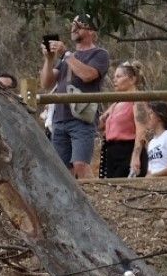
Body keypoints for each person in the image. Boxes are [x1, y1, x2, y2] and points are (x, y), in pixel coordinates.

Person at [41, 15, 110, 178]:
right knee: (63, 171)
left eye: (79, 25)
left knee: (81, 165)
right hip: (60, 119)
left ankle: (94, 199)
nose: (73, 28)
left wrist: (65, 54)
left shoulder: (99, 54)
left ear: (92, 31)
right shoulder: (67, 58)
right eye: (72, 24)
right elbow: (46, 83)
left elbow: (88, 75)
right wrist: (49, 60)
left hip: (82, 119)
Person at [98, 61, 145, 179]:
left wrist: (135, 156)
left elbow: (141, 131)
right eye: (114, 77)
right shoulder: (116, 103)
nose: (115, 80)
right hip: (111, 151)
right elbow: (100, 126)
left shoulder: (138, 100)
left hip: (127, 150)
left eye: (119, 76)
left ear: (132, 79)